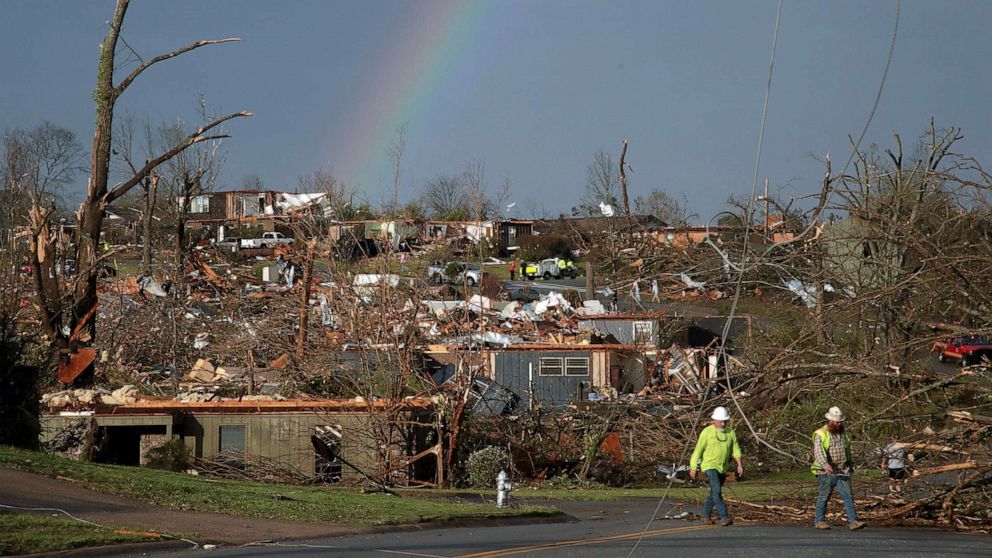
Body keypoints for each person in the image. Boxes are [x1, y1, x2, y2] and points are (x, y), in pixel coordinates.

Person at [812, 406, 866, 530]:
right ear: (830, 421)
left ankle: (853, 521)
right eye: (837, 422)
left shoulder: (843, 434)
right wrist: (826, 465)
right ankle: (819, 521)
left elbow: (846, 451)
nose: (840, 424)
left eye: (841, 422)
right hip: (825, 473)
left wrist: (850, 463)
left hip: (842, 471)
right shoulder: (820, 434)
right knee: (824, 496)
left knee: (848, 495)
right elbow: (819, 452)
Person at [689, 406, 743, 526]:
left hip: (722, 468)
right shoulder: (707, 432)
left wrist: (739, 464)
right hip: (709, 465)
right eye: (720, 421)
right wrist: (693, 467)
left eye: (725, 421)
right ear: (714, 421)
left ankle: (705, 515)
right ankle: (724, 516)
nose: (723, 424)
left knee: (714, 492)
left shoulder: (730, 433)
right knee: (717, 490)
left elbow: (736, 449)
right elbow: (698, 450)